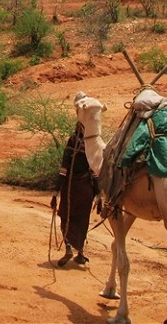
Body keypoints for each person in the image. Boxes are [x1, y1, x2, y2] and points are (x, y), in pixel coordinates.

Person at [52, 99, 96, 267]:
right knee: (83, 220)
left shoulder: (71, 142)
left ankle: (69, 248)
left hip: (71, 189)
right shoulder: (91, 146)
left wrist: (55, 192)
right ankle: (80, 253)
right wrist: (98, 193)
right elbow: (94, 171)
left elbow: (64, 169)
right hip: (86, 190)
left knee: (66, 217)